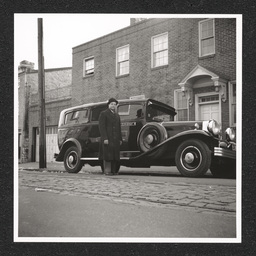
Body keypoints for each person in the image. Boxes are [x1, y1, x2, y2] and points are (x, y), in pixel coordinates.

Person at [99, 98, 122, 175]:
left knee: (115, 155)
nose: (113, 106)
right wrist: (105, 138)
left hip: (115, 139)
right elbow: (102, 127)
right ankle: (107, 170)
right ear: (108, 105)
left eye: (115, 104)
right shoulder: (104, 114)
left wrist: (120, 139)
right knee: (107, 155)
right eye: (111, 104)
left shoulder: (117, 116)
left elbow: (119, 128)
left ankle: (114, 170)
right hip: (107, 138)